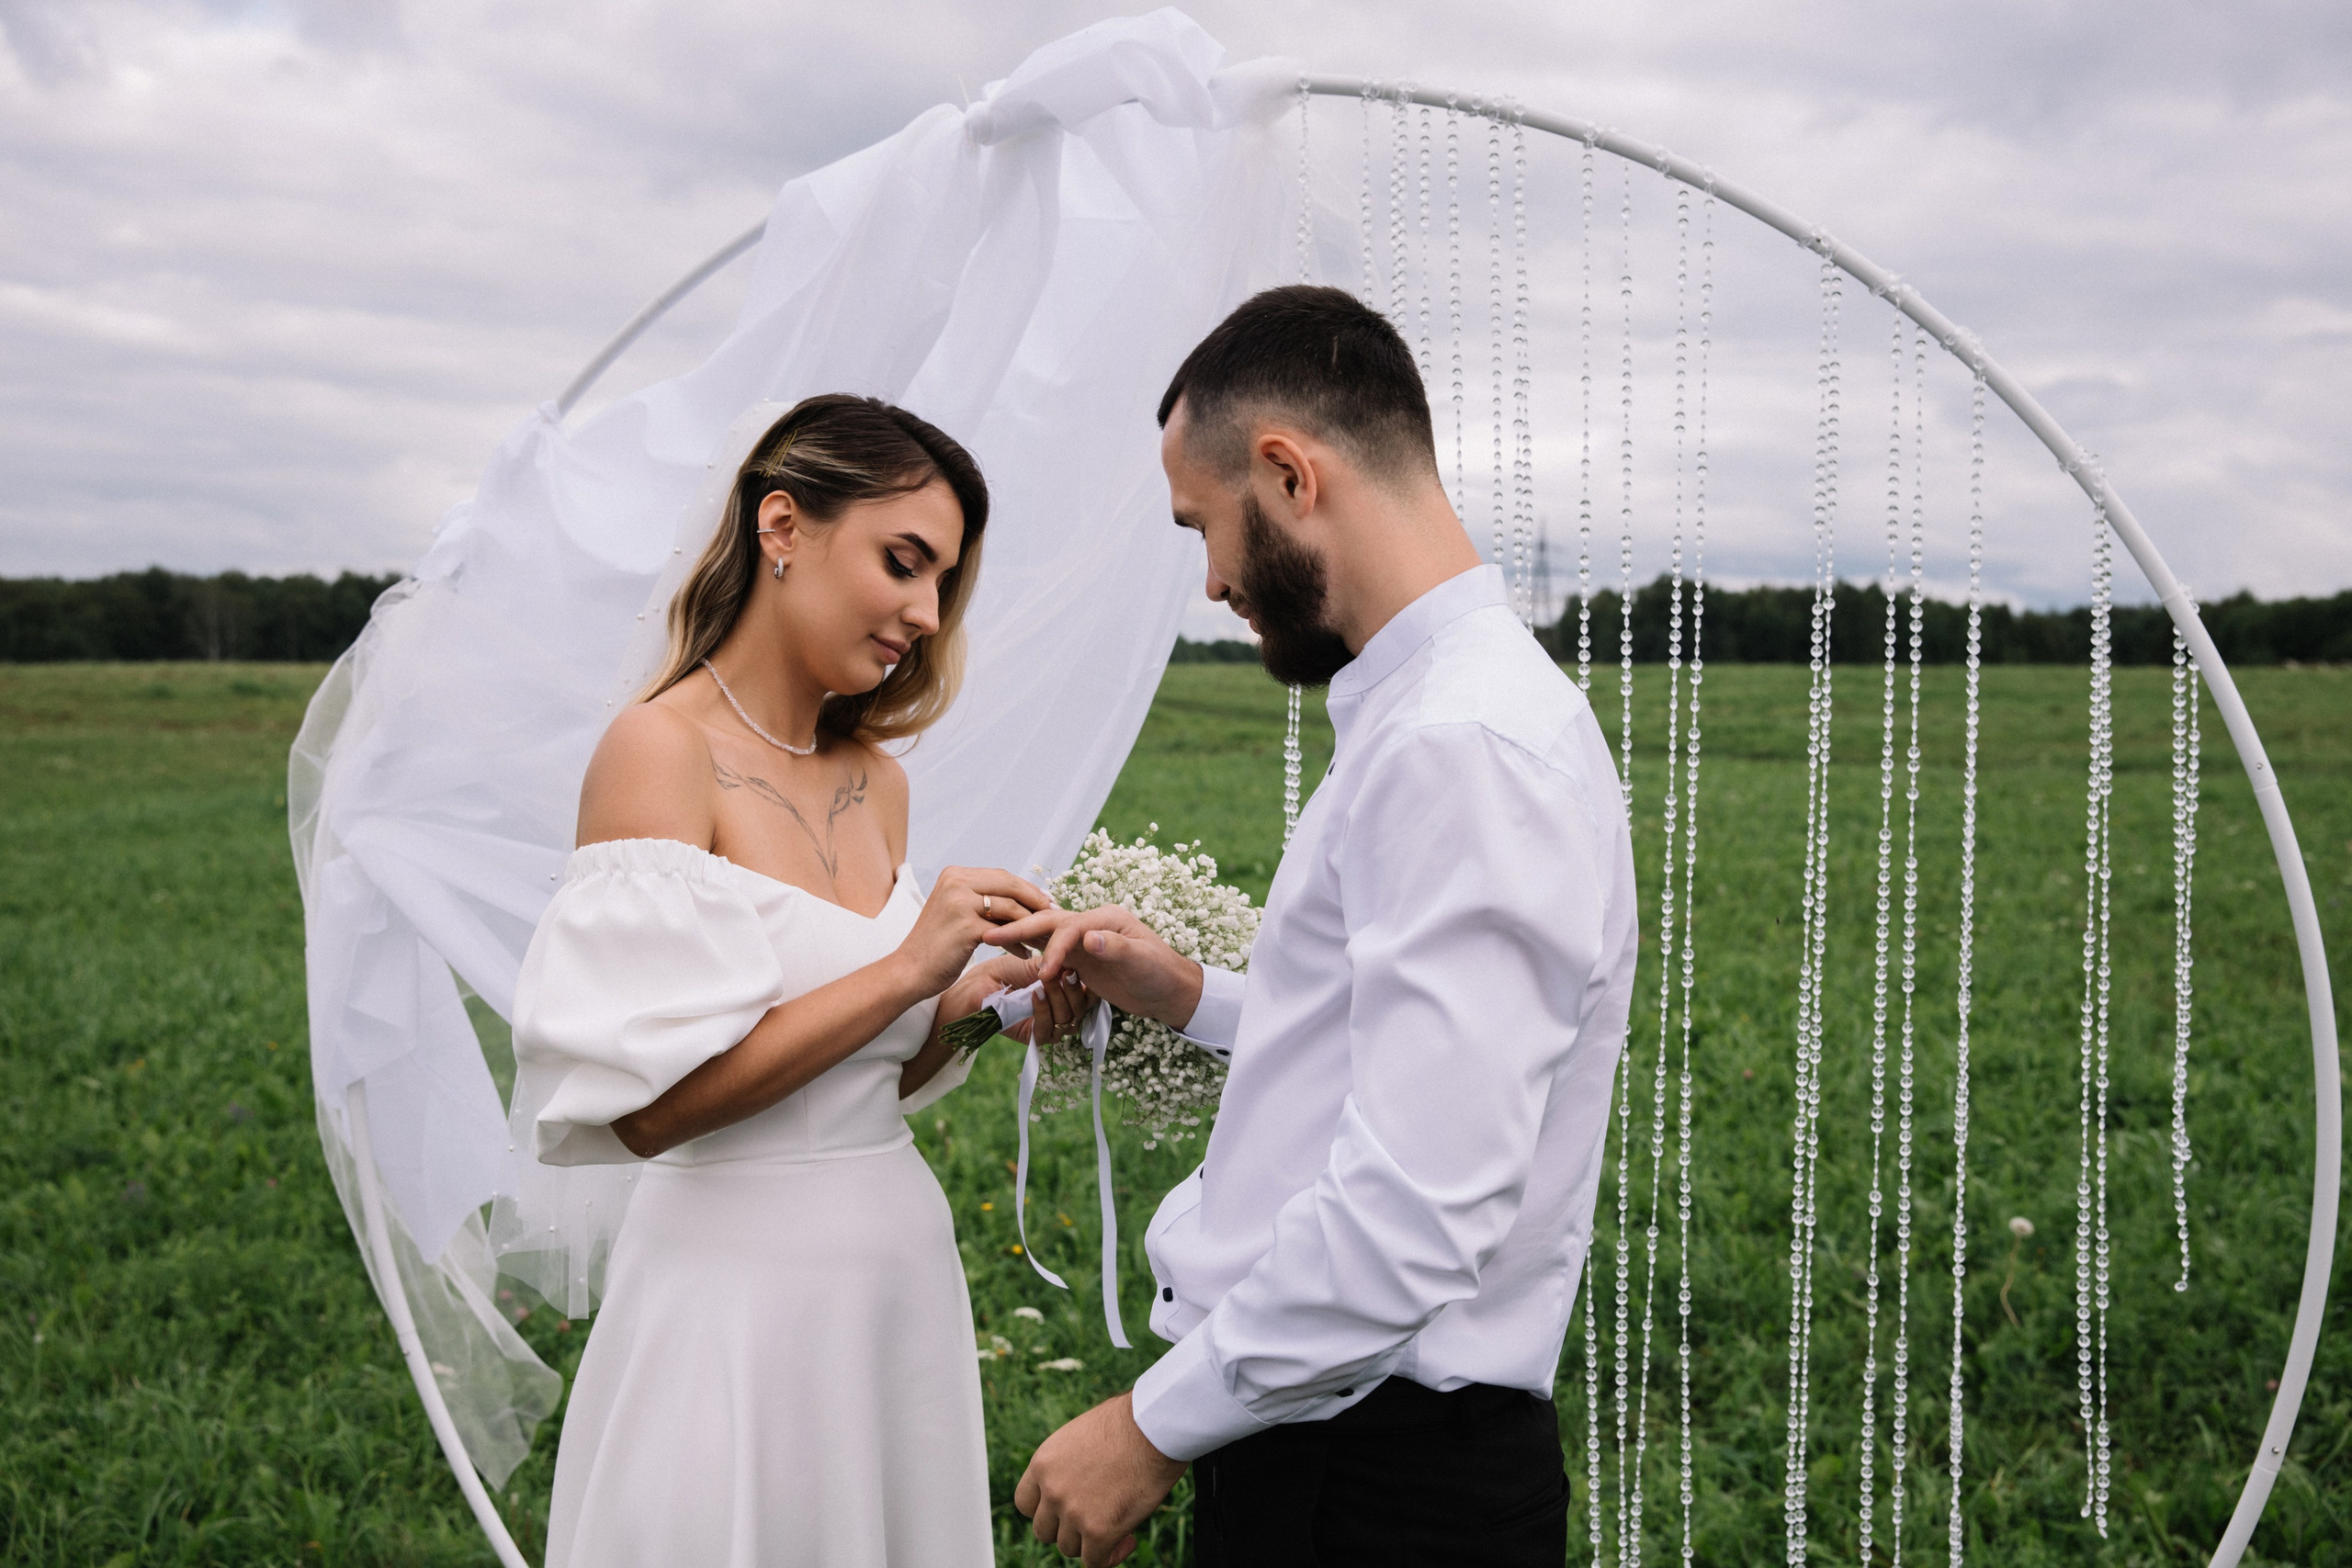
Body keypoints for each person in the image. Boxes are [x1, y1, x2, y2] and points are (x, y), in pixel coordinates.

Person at [994, 287, 1639, 1567]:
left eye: (1206, 527)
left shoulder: (1461, 747)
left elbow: (1417, 1208)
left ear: (1287, 472)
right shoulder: (1440, 715)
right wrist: (1189, 991)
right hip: (1346, 1437)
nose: (1218, 578)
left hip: (1375, 1473)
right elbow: (1391, 1044)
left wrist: (1154, 1425)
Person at [508, 393, 1088, 1568]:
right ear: (783, 526)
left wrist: (975, 1011)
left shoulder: (879, 779)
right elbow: (651, 1111)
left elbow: (867, 1073)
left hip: (891, 1278)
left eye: (944, 585)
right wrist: (911, 967)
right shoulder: (658, 752)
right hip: (731, 1291)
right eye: (904, 563)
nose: (925, 616)